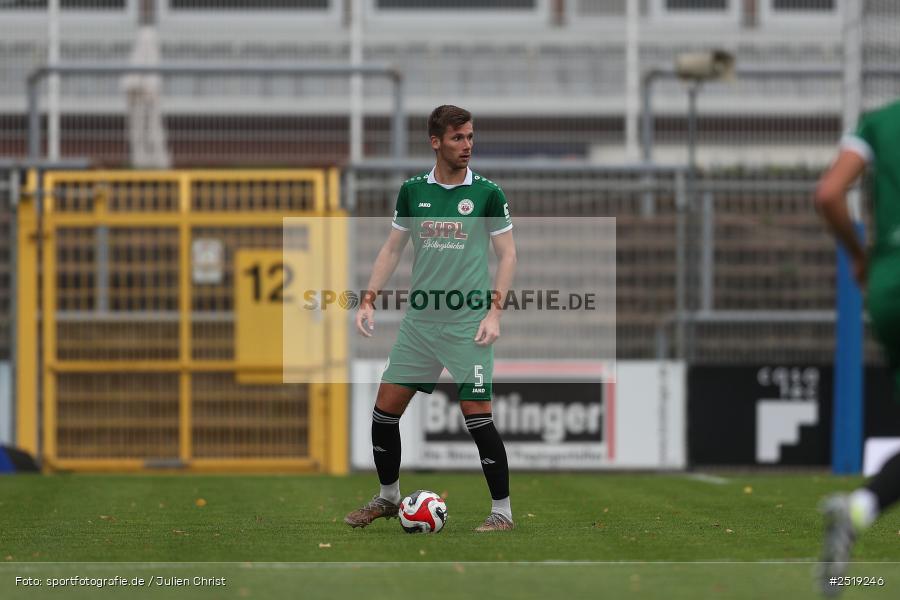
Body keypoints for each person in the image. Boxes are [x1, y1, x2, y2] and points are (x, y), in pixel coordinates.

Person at [344, 105, 518, 532]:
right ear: (436, 142)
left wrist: (494, 313)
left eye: (471, 137)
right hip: (420, 323)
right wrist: (368, 299)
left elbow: (508, 254)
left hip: (467, 325)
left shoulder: (487, 194)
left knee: (478, 414)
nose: (467, 146)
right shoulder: (412, 191)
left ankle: (502, 513)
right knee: (385, 410)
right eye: (458, 138)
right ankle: (388, 498)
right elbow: (392, 249)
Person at [815, 98, 900, 595]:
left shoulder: (880, 122)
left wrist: (859, 254)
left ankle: (856, 511)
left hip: (889, 288)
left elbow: (829, 193)